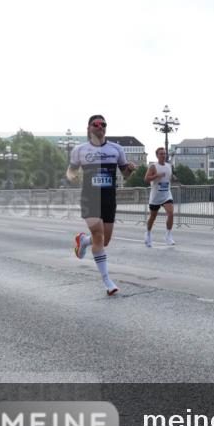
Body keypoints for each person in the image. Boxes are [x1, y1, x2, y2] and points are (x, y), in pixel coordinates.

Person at [67, 115, 136, 296]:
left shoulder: (116, 149)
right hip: (90, 197)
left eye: (103, 124)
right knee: (98, 234)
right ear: (89, 128)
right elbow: (71, 170)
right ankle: (108, 281)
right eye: (96, 124)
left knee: (104, 240)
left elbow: (125, 174)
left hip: (109, 198)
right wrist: (72, 177)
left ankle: (83, 241)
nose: (100, 126)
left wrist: (130, 169)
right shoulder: (80, 150)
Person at [144, 147, 175, 247]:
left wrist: (173, 178)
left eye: (164, 153)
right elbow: (146, 179)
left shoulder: (169, 166)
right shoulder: (153, 166)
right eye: (161, 154)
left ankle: (168, 235)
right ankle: (148, 234)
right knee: (153, 217)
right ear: (157, 155)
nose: (163, 155)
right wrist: (156, 175)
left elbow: (170, 178)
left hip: (166, 195)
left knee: (171, 213)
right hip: (156, 196)